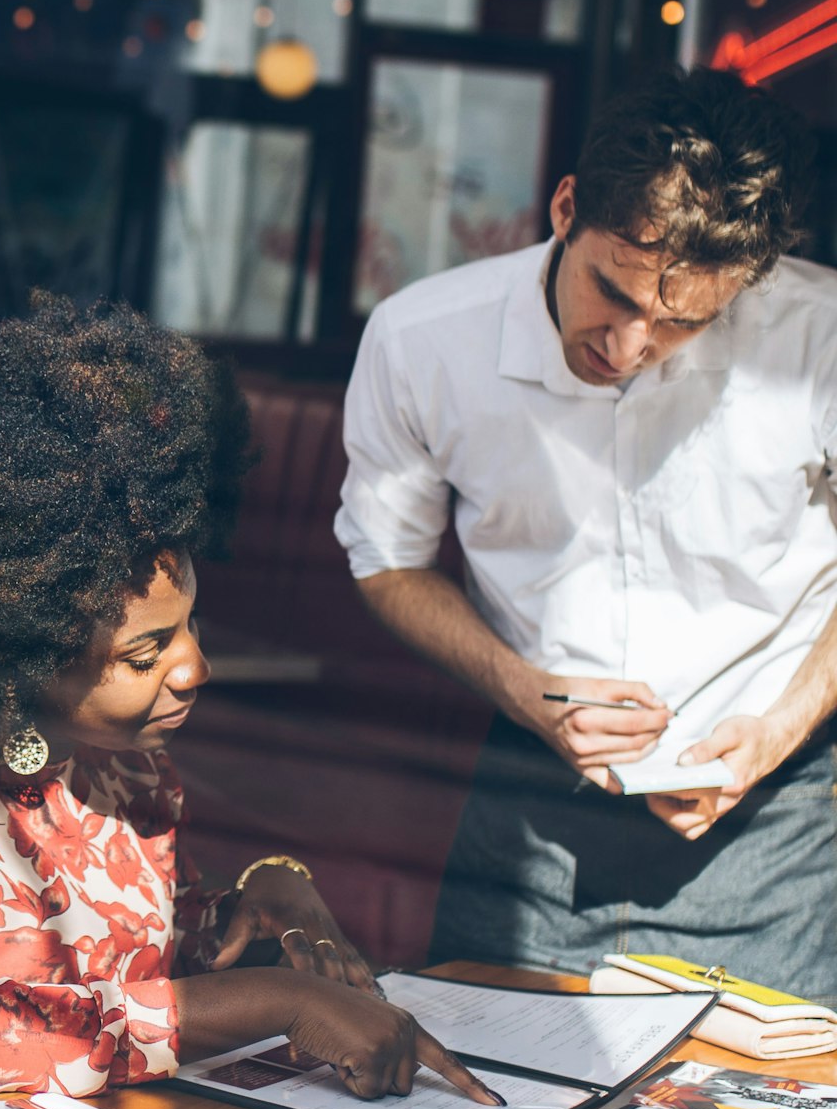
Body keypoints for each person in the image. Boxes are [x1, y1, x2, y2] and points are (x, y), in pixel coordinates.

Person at [0, 300, 493, 1109]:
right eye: (147, 650)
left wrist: (256, 902)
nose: (194, 668)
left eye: (191, 625)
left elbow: (134, 961)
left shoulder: (118, 764)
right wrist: (276, 1003)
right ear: (22, 645)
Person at [337, 68, 837, 992]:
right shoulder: (420, 340)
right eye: (614, 291)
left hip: (773, 818)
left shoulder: (821, 339)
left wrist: (775, 732)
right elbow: (387, 562)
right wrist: (526, 693)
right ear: (566, 207)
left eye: (685, 322)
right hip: (529, 808)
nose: (629, 344)